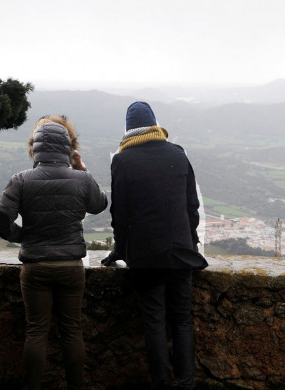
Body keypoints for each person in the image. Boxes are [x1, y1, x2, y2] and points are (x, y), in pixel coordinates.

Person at [0, 115, 108, 390]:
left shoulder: (21, 180)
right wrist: (82, 168)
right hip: (70, 267)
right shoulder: (81, 179)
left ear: (36, 147)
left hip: (35, 268)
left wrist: (24, 236)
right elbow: (100, 204)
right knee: (71, 331)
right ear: (68, 148)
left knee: (36, 332)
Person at [101, 101, 207, 390]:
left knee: (155, 323)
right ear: (155, 124)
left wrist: (119, 251)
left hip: (146, 258)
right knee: (183, 321)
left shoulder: (122, 161)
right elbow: (191, 207)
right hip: (181, 253)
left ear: (128, 130)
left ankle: (161, 383)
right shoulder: (178, 153)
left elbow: (120, 215)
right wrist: (191, 243)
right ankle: (186, 384)